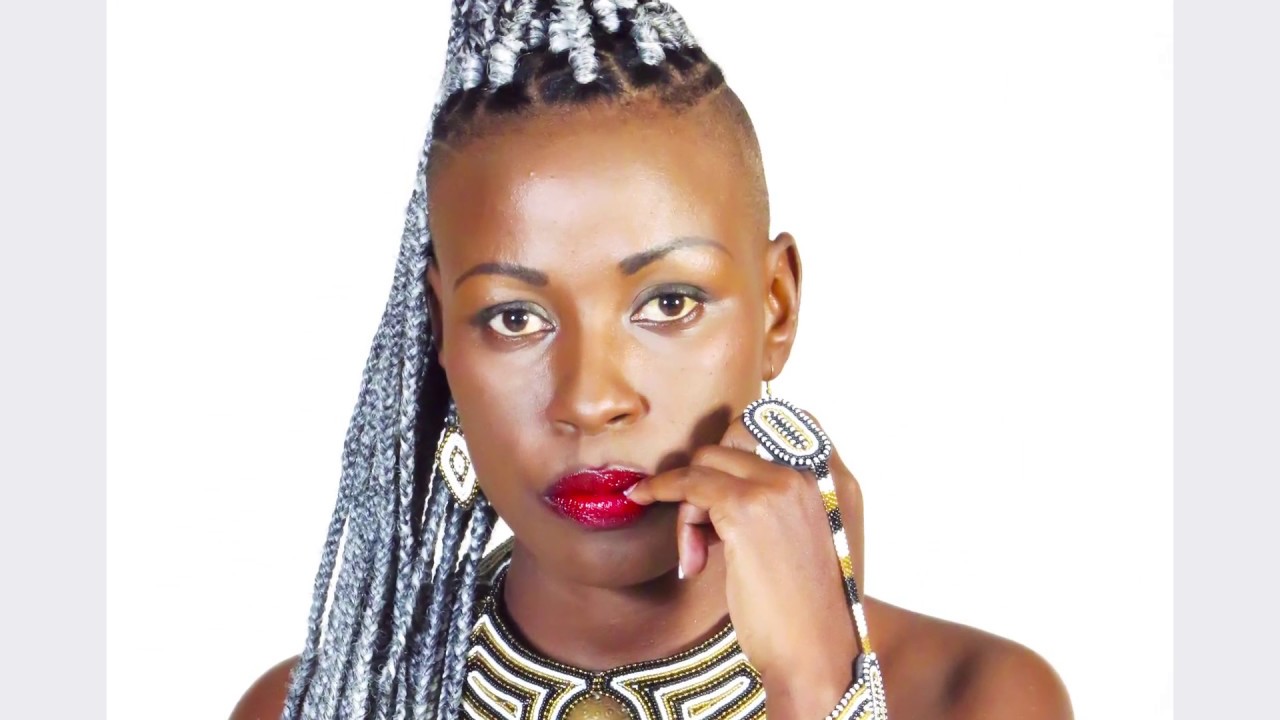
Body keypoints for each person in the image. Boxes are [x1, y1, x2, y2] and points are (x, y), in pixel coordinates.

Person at [230, 2, 1073, 719]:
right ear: (441, 333)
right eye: (515, 317)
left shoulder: (971, 698)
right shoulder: (315, 706)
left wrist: (820, 686)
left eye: (668, 304)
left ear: (776, 306)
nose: (591, 399)